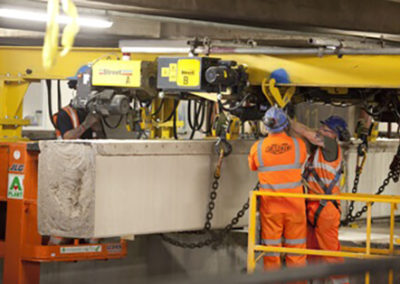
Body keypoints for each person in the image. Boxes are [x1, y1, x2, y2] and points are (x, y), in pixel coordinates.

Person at [291, 116, 350, 284]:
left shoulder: (331, 146)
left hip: (326, 209)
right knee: (312, 251)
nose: (320, 131)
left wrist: (288, 120)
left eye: (325, 130)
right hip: (313, 206)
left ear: (334, 135)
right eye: (321, 127)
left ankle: (342, 282)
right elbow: (301, 136)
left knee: (330, 252)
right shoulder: (319, 150)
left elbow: (306, 133)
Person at [248, 106, 308, 271]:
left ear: (266, 126)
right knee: (296, 251)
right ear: (285, 125)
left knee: (271, 251)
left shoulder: (257, 148)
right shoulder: (298, 145)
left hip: (271, 209)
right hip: (295, 207)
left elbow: (253, 166)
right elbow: (301, 161)